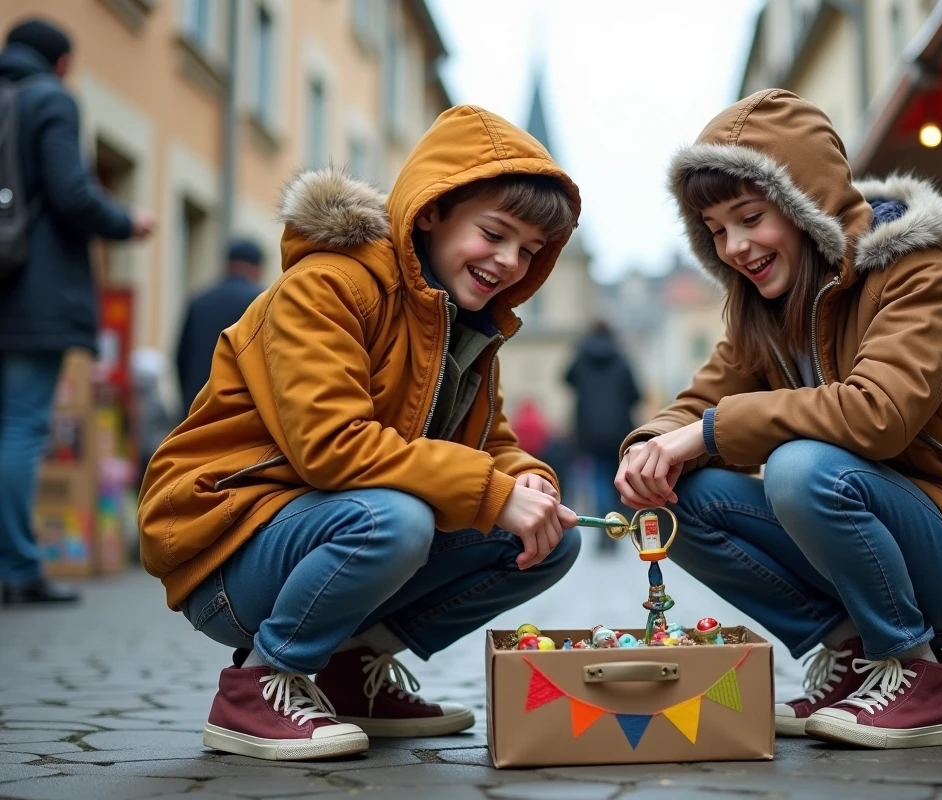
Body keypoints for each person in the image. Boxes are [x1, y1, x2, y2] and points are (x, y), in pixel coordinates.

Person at [138, 106, 581, 761]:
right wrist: (491, 490)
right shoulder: (329, 285)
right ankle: (255, 687)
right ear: (432, 210)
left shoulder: (467, 327)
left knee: (550, 540)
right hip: (226, 553)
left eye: (530, 250)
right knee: (395, 520)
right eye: (495, 233)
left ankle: (351, 672)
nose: (510, 261)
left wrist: (529, 483)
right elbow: (331, 444)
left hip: (324, 530)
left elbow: (492, 448)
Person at [615, 90, 942, 749]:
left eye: (750, 217)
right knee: (672, 500)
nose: (735, 246)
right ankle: (852, 654)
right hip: (874, 534)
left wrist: (704, 433)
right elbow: (701, 400)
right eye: (715, 230)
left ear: (802, 203)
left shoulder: (914, 275)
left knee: (800, 466)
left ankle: (916, 671)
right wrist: (649, 447)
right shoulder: (763, 311)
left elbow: (879, 416)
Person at [0, 18, 155, 606]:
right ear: (61, 62)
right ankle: (18, 568)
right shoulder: (50, 100)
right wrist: (127, 222)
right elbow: (71, 193)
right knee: (20, 427)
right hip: (30, 294)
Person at [564, 321, 641, 537]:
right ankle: (616, 522)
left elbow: (565, 379)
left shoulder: (581, 358)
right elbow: (636, 395)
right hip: (619, 430)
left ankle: (606, 526)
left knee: (597, 475)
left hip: (589, 430)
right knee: (615, 476)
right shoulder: (621, 359)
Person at [175, 238, 265, 412]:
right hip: (239, 413)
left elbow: (181, 357)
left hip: (196, 409)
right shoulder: (261, 303)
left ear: (228, 265)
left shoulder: (199, 301)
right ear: (256, 269)